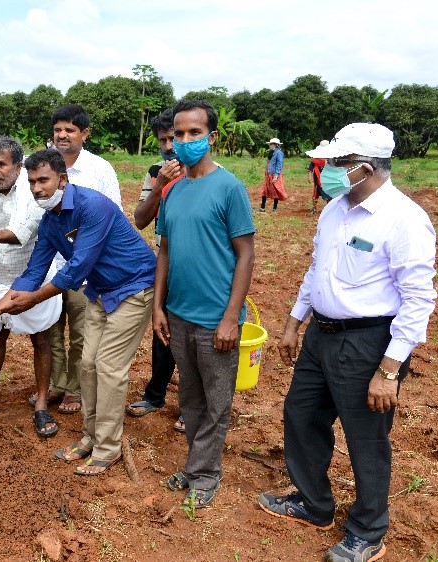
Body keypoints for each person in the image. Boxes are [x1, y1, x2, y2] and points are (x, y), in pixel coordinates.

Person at [258, 124, 437, 562]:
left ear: (366, 168)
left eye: (337, 164)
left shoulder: (405, 220)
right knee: (300, 414)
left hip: (368, 342)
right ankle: (314, 502)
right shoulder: (335, 210)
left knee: (365, 437)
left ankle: (368, 529)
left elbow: (418, 299)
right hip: (322, 334)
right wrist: (293, 323)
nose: (328, 171)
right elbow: (317, 269)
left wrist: (389, 370)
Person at [0, 148, 156, 475]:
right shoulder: (51, 221)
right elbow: (34, 272)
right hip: (101, 292)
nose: (37, 189)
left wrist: (31, 301)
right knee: (87, 364)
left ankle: (108, 447)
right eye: (32, 182)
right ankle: (90, 437)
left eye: (44, 180)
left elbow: (75, 271)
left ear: (63, 179)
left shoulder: (93, 206)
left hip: (134, 287)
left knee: (108, 367)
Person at [154, 100, 255, 509]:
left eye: (194, 133)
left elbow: (245, 255)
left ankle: (206, 475)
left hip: (217, 319)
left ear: (211, 137)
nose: (185, 140)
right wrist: (159, 308)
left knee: (216, 403)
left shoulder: (229, 188)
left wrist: (231, 317)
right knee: (191, 399)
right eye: (178, 134)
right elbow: (164, 250)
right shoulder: (172, 190)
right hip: (178, 314)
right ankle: (198, 465)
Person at [0, 135, 62, 438]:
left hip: (35, 275)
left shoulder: (32, 193)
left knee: (41, 340)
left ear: (18, 166)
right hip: (0, 278)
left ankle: (41, 403)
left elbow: (22, 230)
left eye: (2, 164)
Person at [30, 103, 123, 415]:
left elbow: (114, 215)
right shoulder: (41, 166)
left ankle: (75, 389)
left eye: (70, 129)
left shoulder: (100, 169)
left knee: (81, 333)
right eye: (58, 129)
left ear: (85, 133)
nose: (62, 135)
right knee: (50, 330)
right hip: (50, 265)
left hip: (85, 269)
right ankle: (56, 383)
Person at [125, 110, 185, 433]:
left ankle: (190, 405)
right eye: (163, 140)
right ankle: (155, 394)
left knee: (193, 334)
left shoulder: (208, 174)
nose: (168, 145)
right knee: (162, 329)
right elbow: (140, 218)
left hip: (195, 265)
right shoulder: (153, 173)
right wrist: (161, 183)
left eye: (173, 138)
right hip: (165, 260)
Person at [259, 137, 286, 213]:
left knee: (276, 190)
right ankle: (262, 207)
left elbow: (279, 165)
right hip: (269, 174)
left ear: (276, 145)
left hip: (274, 174)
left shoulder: (279, 153)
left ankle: (274, 209)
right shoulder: (271, 152)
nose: (270, 145)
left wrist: (276, 175)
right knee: (265, 190)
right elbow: (269, 163)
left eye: (271, 144)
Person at [307, 140, 332, 214]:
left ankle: (329, 208)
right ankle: (314, 208)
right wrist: (310, 177)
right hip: (317, 179)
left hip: (327, 179)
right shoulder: (315, 159)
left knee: (328, 193)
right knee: (316, 193)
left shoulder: (330, 158)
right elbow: (310, 169)